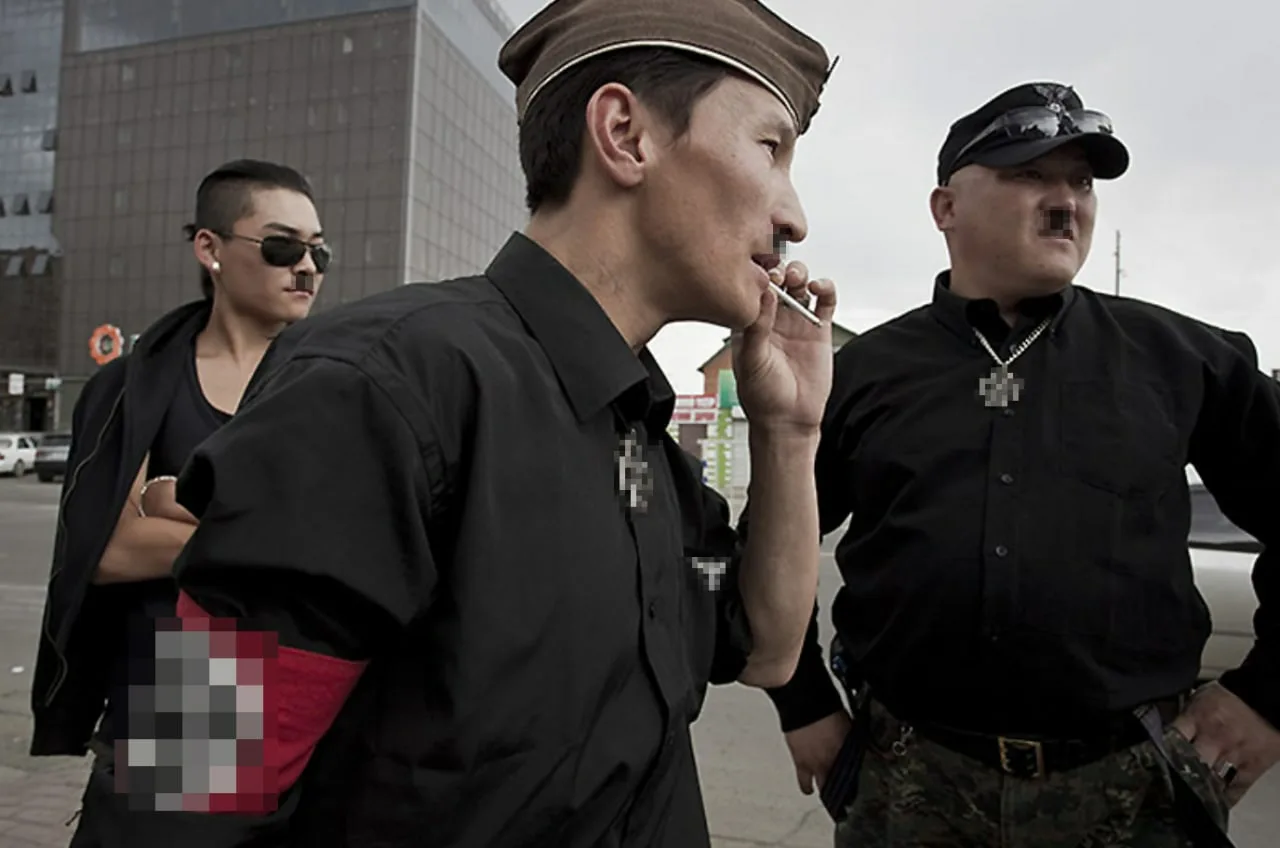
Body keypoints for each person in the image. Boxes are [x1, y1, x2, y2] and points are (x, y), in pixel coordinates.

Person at [103, 1, 840, 846]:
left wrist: (790, 431)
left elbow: (766, 650)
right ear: (626, 135)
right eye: (771, 148)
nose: (795, 217)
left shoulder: (637, 429)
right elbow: (185, 786)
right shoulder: (385, 383)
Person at [758, 81, 1280, 847]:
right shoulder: (860, 373)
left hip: (1134, 791)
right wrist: (802, 702)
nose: (1065, 201)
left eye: (1082, 182)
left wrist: (1268, 695)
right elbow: (769, 545)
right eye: (1030, 174)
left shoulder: (1184, 361)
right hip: (911, 784)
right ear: (946, 207)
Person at [28, 159, 329, 847]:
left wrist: (178, 504)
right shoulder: (135, 387)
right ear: (209, 248)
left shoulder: (336, 383)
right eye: (282, 246)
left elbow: (353, 535)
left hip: (315, 682)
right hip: (191, 688)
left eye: (320, 250)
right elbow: (113, 551)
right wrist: (278, 533)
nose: (307, 267)